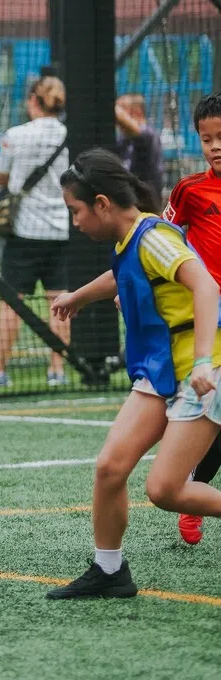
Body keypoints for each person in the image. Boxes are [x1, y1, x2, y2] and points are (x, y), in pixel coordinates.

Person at [46, 148, 221, 599]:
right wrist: (79, 297)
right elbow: (122, 275)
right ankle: (109, 571)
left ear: (102, 203)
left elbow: (206, 285)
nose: (75, 221)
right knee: (110, 468)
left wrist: (203, 360)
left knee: (165, 490)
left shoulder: (155, 237)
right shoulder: (131, 241)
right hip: (162, 370)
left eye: (77, 210)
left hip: (203, 369)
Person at [0, 75, 71, 390]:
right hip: (60, 229)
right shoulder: (68, 135)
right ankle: (58, 370)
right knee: (59, 302)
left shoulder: (15, 136)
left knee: (11, 302)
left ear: (33, 100)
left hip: (24, 233)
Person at [161, 91, 221, 545]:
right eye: (207, 138)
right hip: (212, 319)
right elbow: (162, 238)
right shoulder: (189, 190)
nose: (215, 145)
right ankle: (193, 494)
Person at [115, 93, 164, 197]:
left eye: (122, 108)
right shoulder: (123, 139)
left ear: (137, 111)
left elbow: (135, 129)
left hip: (146, 203)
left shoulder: (148, 134)